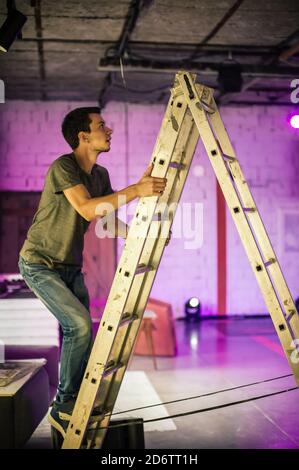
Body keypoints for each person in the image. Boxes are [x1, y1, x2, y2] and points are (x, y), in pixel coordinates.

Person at [18, 106, 168, 438]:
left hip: (70, 267)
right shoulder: (64, 167)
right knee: (80, 326)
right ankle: (63, 405)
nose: (109, 130)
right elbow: (86, 207)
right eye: (102, 125)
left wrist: (142, 234)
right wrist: (136, 189)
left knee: (85, 337)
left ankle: (77, 403)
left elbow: (105, 220)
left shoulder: (99, 176)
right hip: (39, 263)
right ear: (83, 136)